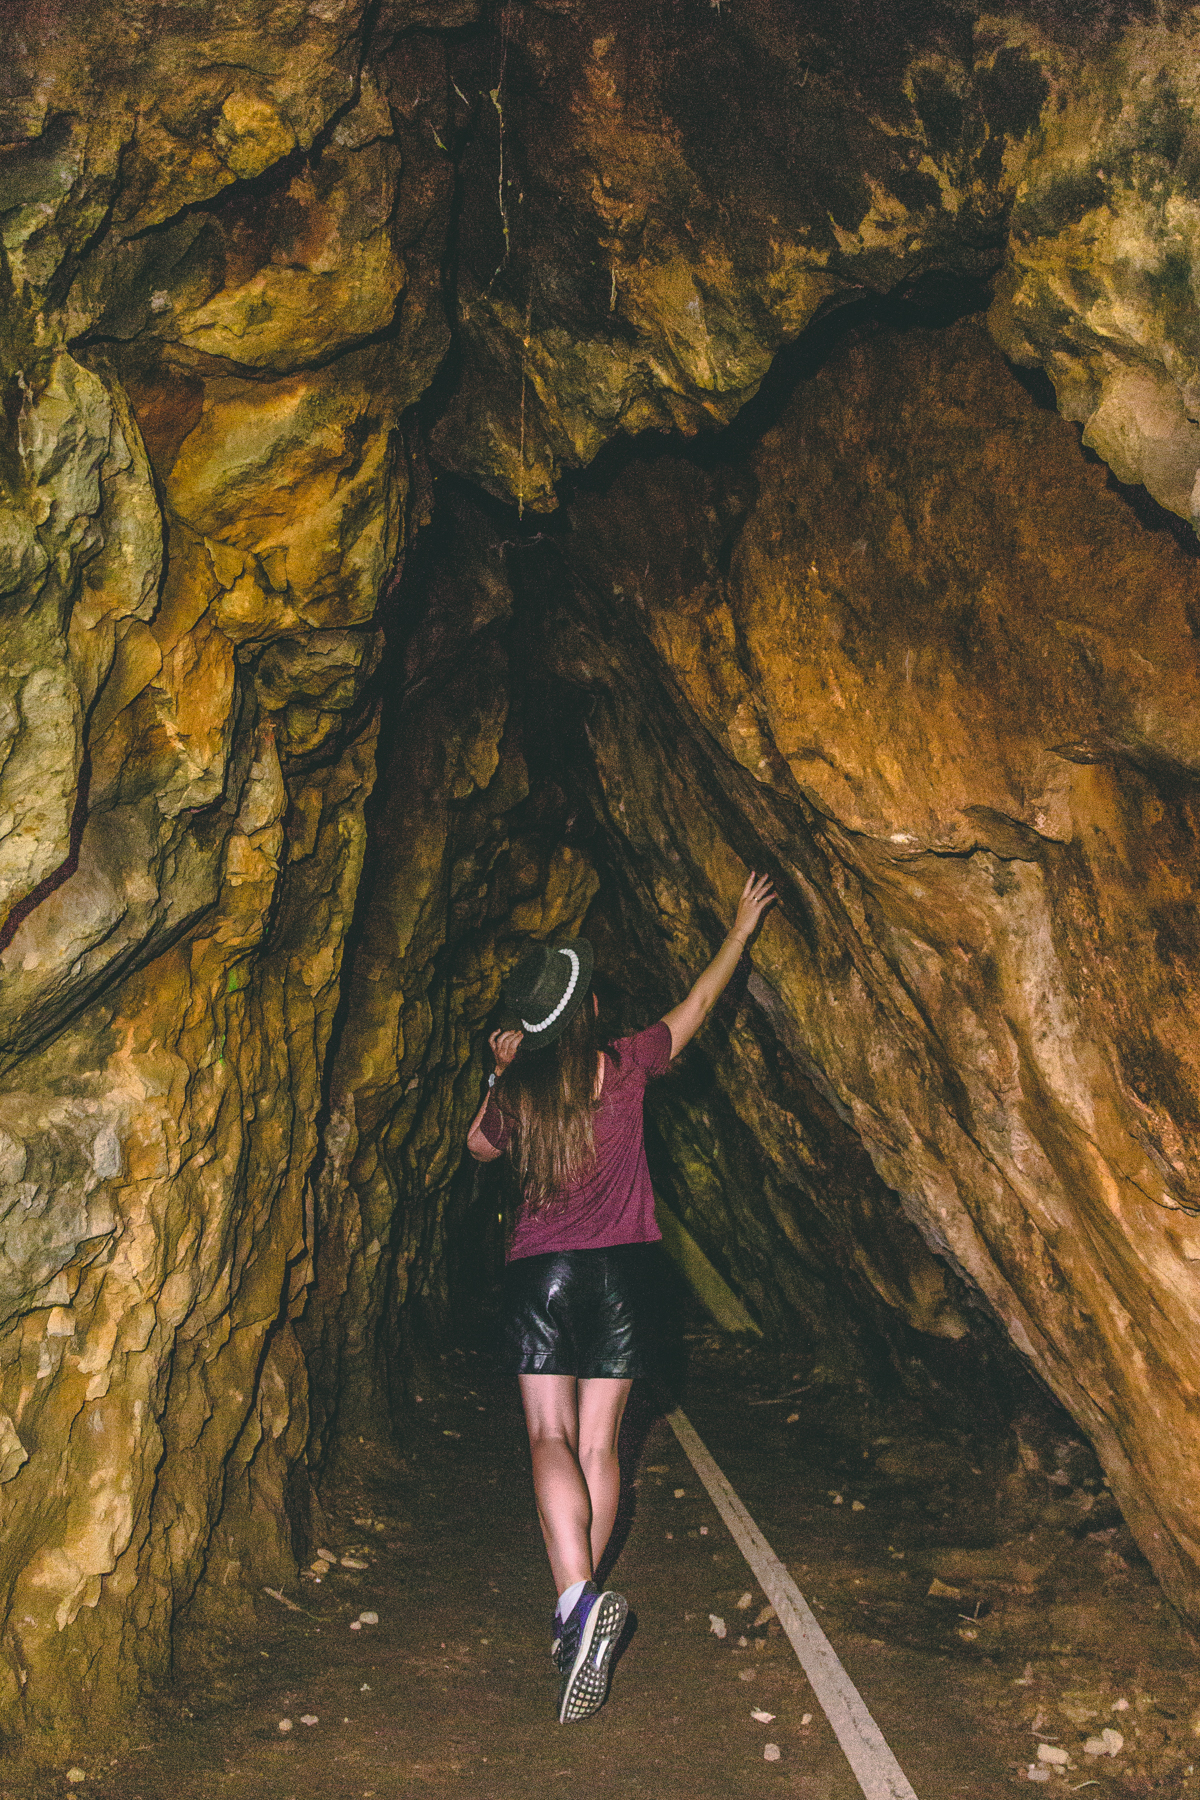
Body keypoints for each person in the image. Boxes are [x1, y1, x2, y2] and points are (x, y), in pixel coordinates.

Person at [466, 872, 776, 1724]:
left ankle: (576, 1602)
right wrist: (739, 930)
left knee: (548, 1433)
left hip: (544, 1273)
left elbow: (479, 1150)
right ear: (588, 1007)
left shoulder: (521, 1088)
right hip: (625, 1277)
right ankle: (578, 1612)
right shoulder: (628, 1061)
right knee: (602, 1446)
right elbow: (701, 1002)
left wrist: (501, 1073)